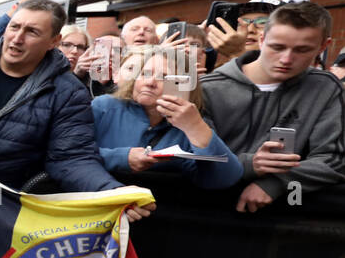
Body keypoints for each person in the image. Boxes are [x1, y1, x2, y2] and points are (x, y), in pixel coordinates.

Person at [0, 0, 156, 208]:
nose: (17, 38)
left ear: (54, 42)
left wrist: (112, 193)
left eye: (32, 32)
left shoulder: (69, 93)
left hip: (8, 206)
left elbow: (72, 158)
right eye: (14, 27)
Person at [201, 1, 345, 215]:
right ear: (262, 39)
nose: (286, 59)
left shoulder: (326, 88)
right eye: (277, 47)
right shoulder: (209, 89)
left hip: (289, 218)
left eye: (302, 50)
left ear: (323, 47)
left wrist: (277, 183)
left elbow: (334, 158)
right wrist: (250, 164)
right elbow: (194, 158)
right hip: (205, 212)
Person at [92, 47, 242, 189]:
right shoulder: (104, 107)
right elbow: (71, 154)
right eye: (145, 73)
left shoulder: (189, 124)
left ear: (184, 86)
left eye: (164, 77)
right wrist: (122, 158)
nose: (150, 83)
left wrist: (195, 127)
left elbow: (226, 178)